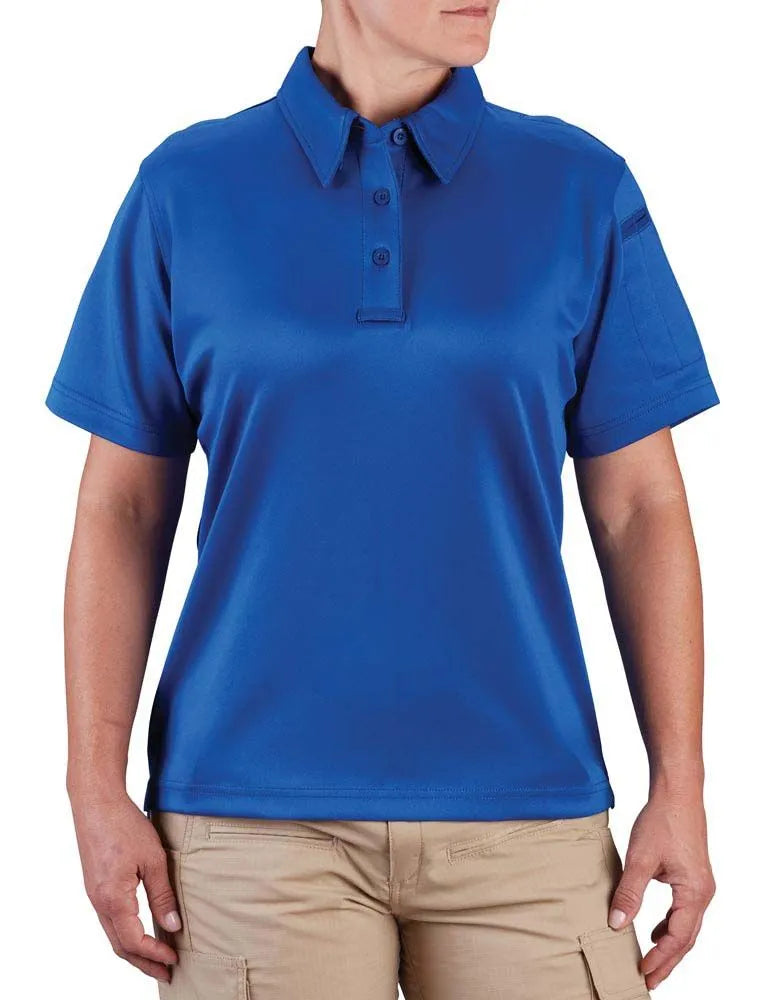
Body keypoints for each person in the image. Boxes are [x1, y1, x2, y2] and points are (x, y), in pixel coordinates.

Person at [45, 1, 718, 997]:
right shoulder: (185, 190)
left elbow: (640, 508)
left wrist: (681, 782)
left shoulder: (579, 187)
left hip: (529, 815)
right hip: (249, 825)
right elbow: (123, 509)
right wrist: (93, 785)